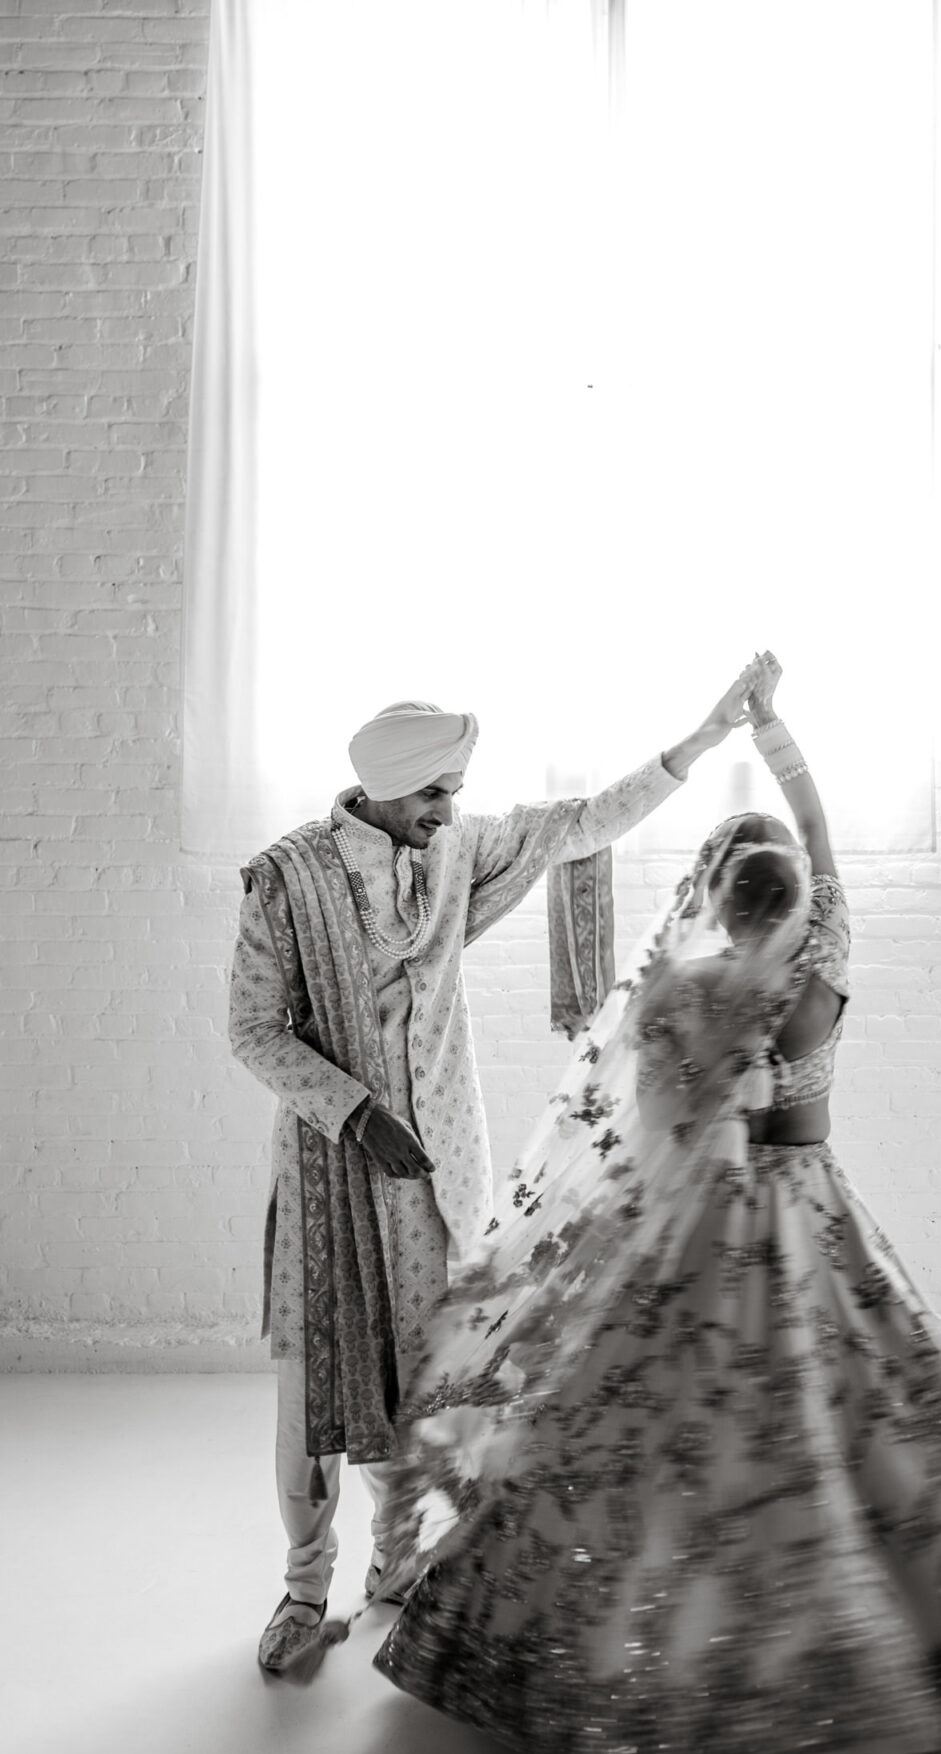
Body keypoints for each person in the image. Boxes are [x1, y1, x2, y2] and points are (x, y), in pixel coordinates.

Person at [372, 653, 941, 1754]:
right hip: (813, 1216)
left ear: (704, 896)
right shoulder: (824, 964)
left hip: (698, 1234)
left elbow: (651, 1131)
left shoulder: (671, 997)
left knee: (660, 1434)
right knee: (893, 1399)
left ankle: (652, 1655)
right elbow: (818, 834)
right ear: (789, 898)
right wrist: (774, 731)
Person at [229, 666, 770, 1673]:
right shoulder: (286, 879)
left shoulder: (456, 855)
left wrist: (699, 739)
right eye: (436, 791)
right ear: (386, 787)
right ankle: (304, 1589)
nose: (452, 808)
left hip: (436, 1170)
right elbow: (252, 1032)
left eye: (457, 789)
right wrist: (352, 1114)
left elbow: (581, 823)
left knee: (423, 1380)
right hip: (326, 1180)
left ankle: (398, 1567)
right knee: (314, 1393)